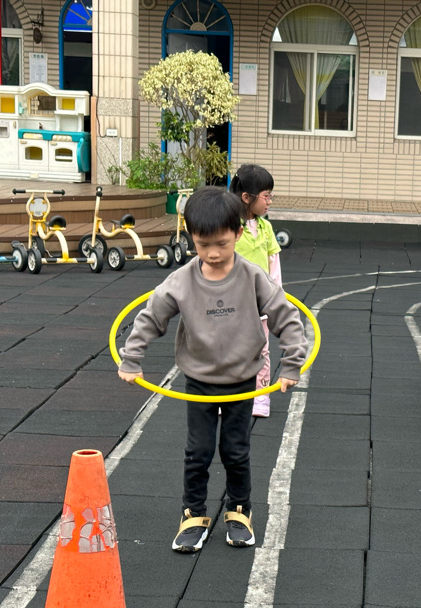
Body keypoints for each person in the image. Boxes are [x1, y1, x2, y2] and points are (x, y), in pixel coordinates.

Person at [117, 186, 308, 553]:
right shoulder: (182, 281)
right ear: (192, 238)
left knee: (236, 450)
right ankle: (193, 514)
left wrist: (291, 364)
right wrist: (132, 358)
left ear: (238, 233)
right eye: (203, 245)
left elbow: (287, 316)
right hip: (200, 381)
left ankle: (239, 510)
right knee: (198, 452)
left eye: (222, 243)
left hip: (242, 380)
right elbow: (150, 318)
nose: (214, 253)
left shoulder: (252, 277)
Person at [230, 164, 282, 419]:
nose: (270, 201)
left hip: (259, 304)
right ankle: (228, 397)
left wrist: (276, 299)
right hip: (231, 304)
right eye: (266, 196)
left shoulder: (266, 228)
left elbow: (274, 266)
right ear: (246, 197)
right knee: (229, 351)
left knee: (261, 350)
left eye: (271, 196)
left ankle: (260, 396)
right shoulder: (229, 226)